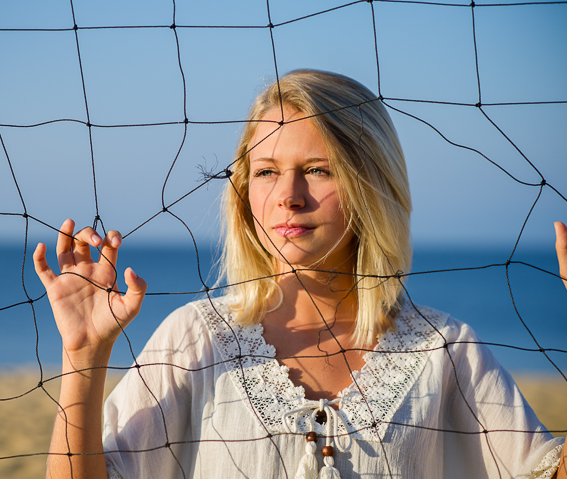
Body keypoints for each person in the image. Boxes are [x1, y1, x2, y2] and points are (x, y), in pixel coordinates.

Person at [34, 70, 567, 479]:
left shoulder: (446, 350)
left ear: (371, 184)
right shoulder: (196, 338)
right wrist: (83, 355)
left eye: (317, 169)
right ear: (244, 193)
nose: (288, 196)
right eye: (265, 172)